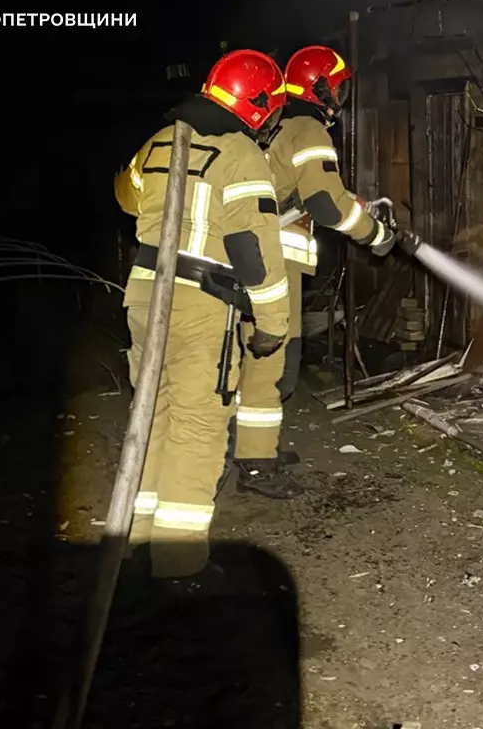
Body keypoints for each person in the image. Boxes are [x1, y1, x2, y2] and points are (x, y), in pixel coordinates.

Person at [113, 49, 297, 578]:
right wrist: (272, 326)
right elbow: (254, 253)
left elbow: (127, 197)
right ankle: (178, 565)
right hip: (200, 305)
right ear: (259, 104)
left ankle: (138, 545)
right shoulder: (241, 153)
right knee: (197, 430)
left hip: (145, 297)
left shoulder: (158, 140)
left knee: (154, 417)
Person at [230, 44, 396, 484]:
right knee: (274, 367)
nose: (341, 95)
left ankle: (254, 450)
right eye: (338, 86)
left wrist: (344, 202)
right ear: (319, 86)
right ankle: (253, 462)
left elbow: (306, 191)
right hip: (274, 264)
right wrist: (376, 235)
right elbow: (325, 203)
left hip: (259, 259)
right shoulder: (308, 129)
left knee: (260, 364)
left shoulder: (283, 125)